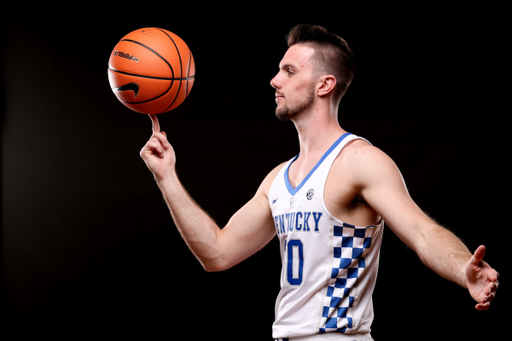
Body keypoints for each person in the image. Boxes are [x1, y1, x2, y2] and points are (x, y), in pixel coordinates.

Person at [140, 24, 499, 340]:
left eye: (288, 71)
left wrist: (462, 267)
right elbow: (217, 254)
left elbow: (422, 232)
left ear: (324, 84)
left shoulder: (360, 161)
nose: (274, 80)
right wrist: (167, 176)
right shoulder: (278, 179)